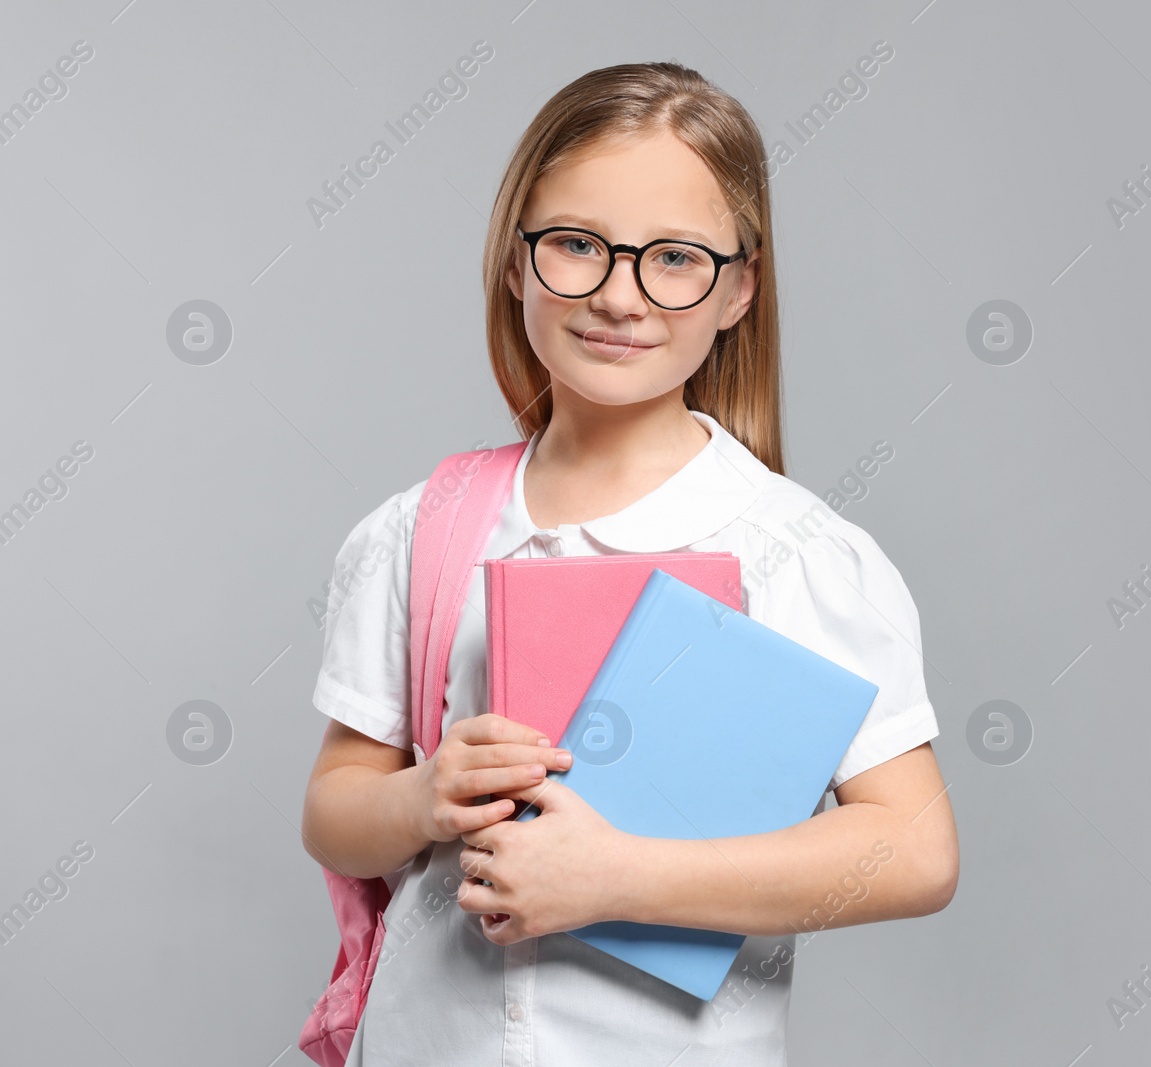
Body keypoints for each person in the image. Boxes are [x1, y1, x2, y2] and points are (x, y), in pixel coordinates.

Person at [300, 60, 958, 1066]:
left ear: (738, 288)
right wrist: (420, 796)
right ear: (515, 259)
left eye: (675, 259)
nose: (618, 295)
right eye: (575, 245)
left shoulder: (794, 552)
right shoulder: (417, 530)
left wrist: (615, 876)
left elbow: (911, 849)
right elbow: (336, 809)